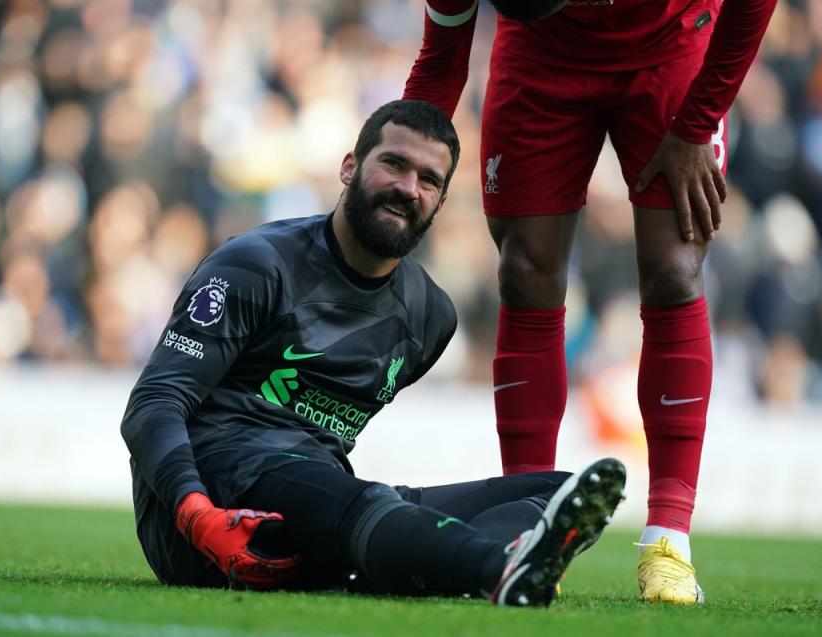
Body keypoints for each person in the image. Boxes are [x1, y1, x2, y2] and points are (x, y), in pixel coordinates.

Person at [120, 99, 626, 607]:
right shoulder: (256, 266)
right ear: (349, 167)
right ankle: (499, 571)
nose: (409, 188)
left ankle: (402, 559)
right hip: (213, 505)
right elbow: (154, 403)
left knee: (565, 492)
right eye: (394, 164)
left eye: (429, 180)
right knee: (368, 503)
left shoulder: (430, 316)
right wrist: (195, 514)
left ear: (440, 202)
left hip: (326, 494)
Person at [402, 0, 778, 604]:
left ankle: (668, 540)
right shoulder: (521, 15)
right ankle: (525, 529)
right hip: (540, 59)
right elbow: (441, 65)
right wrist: (398, 174)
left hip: (671, 41)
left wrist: (696, 124)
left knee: (674, 267)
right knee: (524, 272)